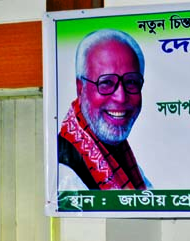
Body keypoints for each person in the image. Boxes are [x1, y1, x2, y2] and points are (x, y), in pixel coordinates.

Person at [58, 29, 151, 190]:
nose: (121, 97)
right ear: (80, 88)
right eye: (106, 83)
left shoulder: (122, 159)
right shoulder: (66, 171)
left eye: (131, 82)